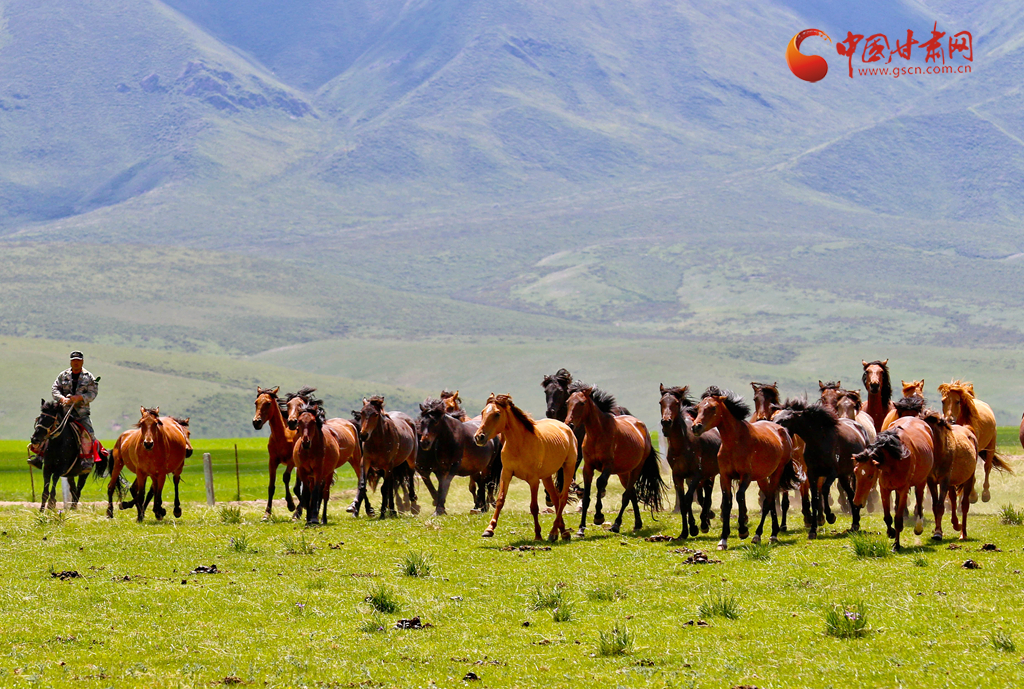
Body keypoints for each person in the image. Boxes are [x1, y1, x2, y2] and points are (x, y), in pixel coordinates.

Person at [28, 351, 101, 470]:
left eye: (78, 360)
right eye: (73, 360)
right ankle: (39, 457)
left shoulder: (89, 377)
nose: (76, 362)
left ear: (82, 361)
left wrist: (80, 398)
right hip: (62, 411)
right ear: (71, 362)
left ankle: (87, 460)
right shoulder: (63, 375)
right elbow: (55, 388)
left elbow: (93, 393)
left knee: (89, 434)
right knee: (46, 427)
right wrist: (61, 398)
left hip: (80, 413)